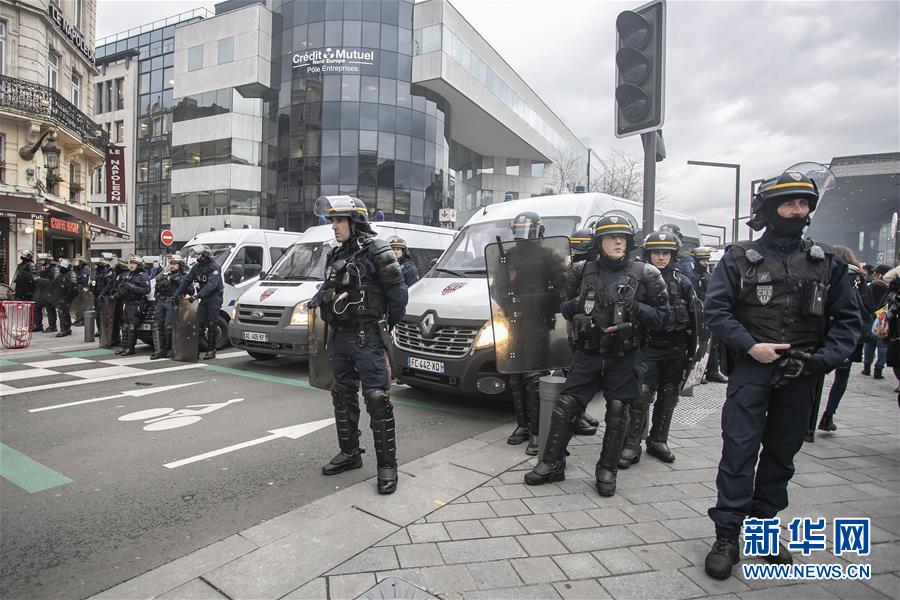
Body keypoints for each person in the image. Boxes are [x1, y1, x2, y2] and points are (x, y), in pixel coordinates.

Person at [702, 164, 860, 580]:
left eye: (804, 203)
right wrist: (749, 345)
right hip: (752, 370)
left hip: (803, 373)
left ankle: (763, 531)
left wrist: (823, 359)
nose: (797, 210)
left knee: (781, 455)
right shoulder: (738, 258)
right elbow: (716, 311)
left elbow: (848, 321)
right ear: (770, 209)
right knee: (738, 453)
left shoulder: (827, 262)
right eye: (789, 203)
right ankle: (727, 535)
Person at [524, 213, 668, 497]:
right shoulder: (581, 270)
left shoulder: (647, 273)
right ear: (599, 241)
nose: (618, 242)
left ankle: (607, 469)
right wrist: (577, 307)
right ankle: (552, 463)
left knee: (617, 410)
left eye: (622, 237)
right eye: (611, 237)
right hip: (588, 353)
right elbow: (563, 306)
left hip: (624, 356)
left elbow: (664, 319)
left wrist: (637, 309)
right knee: (566, 406)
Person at [307, 195, 408, 495]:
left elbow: (399, 296)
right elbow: (328, 286)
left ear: (356, 221)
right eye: (332, 220)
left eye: (339, 220)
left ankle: (387, 466)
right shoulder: (336, 253)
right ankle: (350, 453)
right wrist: (320, 298)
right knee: (342, 393)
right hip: (341, 336)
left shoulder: (378, 250)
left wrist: (383, 325)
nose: (333, 226)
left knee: (377, 398)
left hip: (368, 337)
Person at [619, 230, 696, 468]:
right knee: (640, 396)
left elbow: (695, 318)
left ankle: (659, 440)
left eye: (666, 253)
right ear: (648, 254)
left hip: (676, 349)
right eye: (656, 253)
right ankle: (632, 444)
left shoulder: (683, 282)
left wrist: (693, 354)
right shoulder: (639, 281)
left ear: (673, 255)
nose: (661, 257)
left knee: (669, 395)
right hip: (647, 347)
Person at [817, 246, 872, 431]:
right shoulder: (857, 278)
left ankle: (809, 420)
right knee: (842, 375)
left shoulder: (822, 271)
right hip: (846, 331)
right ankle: (828, 415)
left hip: (823, 329)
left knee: (815, 374)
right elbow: (867, 305)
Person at [687, 247, 728, 384]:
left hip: (711, 314)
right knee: (700, 345)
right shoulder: (692, 277)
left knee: (713, 344)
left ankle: (712, 371)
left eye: (707, 260)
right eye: (703, 260)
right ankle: (698, 373)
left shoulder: (708, 276)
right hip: (699, 316)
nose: (706, 263)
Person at [176, 246, 225, 360]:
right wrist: (176, 294)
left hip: (214, 297)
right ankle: (196, 349)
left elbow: (211, 285)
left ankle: (211, 350)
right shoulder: (196, 267)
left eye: (198, 254)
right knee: (199, 323)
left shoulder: (214, 267)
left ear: (204, 255)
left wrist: (197, 296)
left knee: (212, 323)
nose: (196, 257)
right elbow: (186, 281)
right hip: (204, 297)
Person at [150, 256, 187, 360]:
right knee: (157, 326)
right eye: (171, 263)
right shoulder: (166, 275)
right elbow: (157, 288)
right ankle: (159, 351)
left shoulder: (184, 276)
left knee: (168, 327)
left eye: (175, 263)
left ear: (180, 265)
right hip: (161, 301)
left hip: (172, 302)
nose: (172, 265)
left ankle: (169, 350)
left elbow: (191, 290)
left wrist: (179, 281)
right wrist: (157, 294)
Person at [115, 256, 151, 356]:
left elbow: (147, 290)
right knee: (125, 326)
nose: (131, 265)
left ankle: (130, 348)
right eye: (131, 263)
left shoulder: (143, 276)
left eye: (134, 263)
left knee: (132, 326)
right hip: (128, 302)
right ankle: (124, 347)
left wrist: (132, 287)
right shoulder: (129, 275)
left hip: (136, 304)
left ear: (139, 265)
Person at [862, 264, 891, 379]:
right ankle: (878, 369)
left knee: (870, 342)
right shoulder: (891, 288)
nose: (874, 275)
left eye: (876, 273)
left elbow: (866, 302)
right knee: (883, 344)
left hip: (872, 316)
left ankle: (866, 367)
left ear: (880, 274)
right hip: (884, 317)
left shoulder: (871, 286)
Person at [52, 258, 79, 337]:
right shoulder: (62, 274)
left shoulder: (70, 274)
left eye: (61, 267)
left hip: (66, 296)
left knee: (62, 312)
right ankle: (67, 329)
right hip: (61, 296)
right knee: (64, 313)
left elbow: (73, 286)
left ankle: (64, 330)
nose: (60, 268)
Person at [34, 254, 59, 333]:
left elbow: (53, 282)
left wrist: (40, 279)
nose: (41, 262)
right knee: (36, 307)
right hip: (43, 291)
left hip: (50, 292)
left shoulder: (54, 269)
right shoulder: (47, 268)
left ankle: (52, 326)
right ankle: (38, 325)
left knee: (50, 309)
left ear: (47, 261)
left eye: (43, 260)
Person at [91, 255, 113, 340]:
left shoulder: (106, 273)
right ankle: (100, 330)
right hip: (97, 295)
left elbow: (108, 285)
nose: (95, 266)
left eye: (97, 265)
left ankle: (104, 330)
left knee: (103, 314)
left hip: (103, 296)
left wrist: (103, 293)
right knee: (97, 314)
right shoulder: (97, 273)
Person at [72, 256, 91, 326]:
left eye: (78, 262)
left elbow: (84, 280)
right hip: (78, 289)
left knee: (82, 306)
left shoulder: (85, 270)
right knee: (78, 305)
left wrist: (76, 278)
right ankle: (78, 319)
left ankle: (82, 320)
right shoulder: (78, 270)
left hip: (83, 290)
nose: (76, 263)